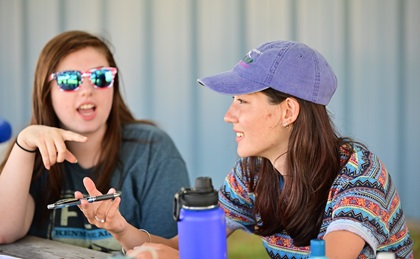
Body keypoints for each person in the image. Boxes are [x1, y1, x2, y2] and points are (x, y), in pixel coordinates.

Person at [75, 40, 414, 258]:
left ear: (288, 112)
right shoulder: (252, 175)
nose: (228, 115)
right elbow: (184, 250)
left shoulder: (359, 175)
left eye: (242, 101)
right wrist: (120, 227)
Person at [0, 30, 190, 253]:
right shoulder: (28, 151)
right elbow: (4, 231)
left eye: (101, 77)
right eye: (70, 80)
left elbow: (173, 252)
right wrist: (23, 146)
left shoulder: (153, 150)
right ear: (46, 91)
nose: (87, 91)